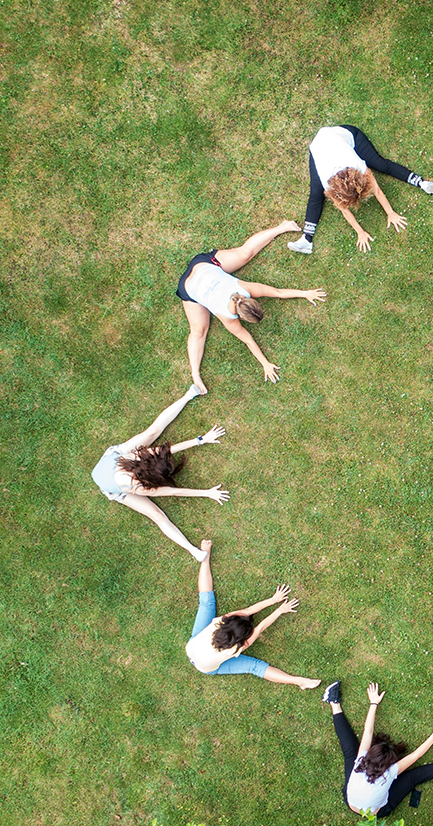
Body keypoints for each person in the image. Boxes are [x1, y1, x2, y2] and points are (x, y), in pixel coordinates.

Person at [178, 220, 327, 394]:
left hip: (204, 266)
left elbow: (278, 292)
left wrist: (305, 293)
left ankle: (282, 227)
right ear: (240, 316)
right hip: (190, 285)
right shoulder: (228, 318)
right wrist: (265, 364)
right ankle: (195, 375)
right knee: (198, 331)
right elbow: (248, 340)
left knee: (245, 253)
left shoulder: (245, 289)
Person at [89, 384, 228, 561]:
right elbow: (174, 492)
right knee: (157, 515)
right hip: (112, 485)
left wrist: (200, 440)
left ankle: (188, 395)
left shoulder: (136, 458)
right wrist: (207, 493)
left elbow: (165, 450)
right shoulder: (138, 487)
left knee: (152, 432)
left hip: (115, 460)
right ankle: (193, 551)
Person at [323, 681, 433, 818]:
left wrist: (373, 703)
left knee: (350, 752)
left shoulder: (360, 760)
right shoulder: (389, 774)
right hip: (378, 811)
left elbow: (368, 731)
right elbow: (416, 755)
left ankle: (334, 703)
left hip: (350, 801)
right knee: (413, 777)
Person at [184, 540, 321, 689]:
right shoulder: (235, 649)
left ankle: (205, 558)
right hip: (206, 667)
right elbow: (259, 626)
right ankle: (299, 682)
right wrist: (279, 609)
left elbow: (249, 614)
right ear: (242, 640)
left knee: (206, 603)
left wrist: (274, 601)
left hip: (193, 647)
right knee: (254, 666)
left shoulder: (220, 622)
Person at [287, 126, 433, 255]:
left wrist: (390, 213)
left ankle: (420, 182)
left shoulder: (357, 165)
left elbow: (376, 189)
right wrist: (360, 232)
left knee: (380, 164)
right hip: (319, 148)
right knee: (315, 194)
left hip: (346, 135)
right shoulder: (327, 181)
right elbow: (344, 210)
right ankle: (306, 239)